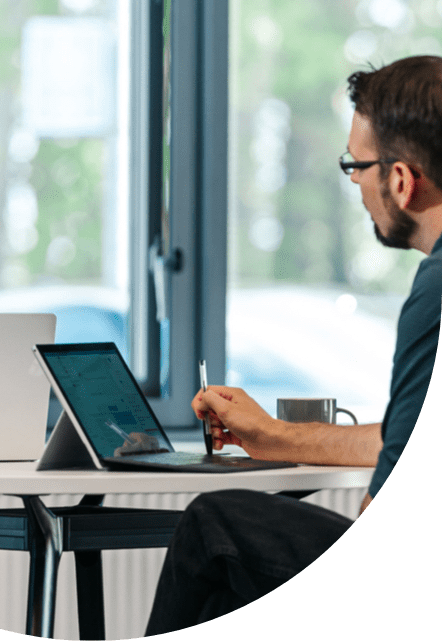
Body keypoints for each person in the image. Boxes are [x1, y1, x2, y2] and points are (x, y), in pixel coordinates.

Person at [145, 55, 442, 635]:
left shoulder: (436, 289)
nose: (355, 183)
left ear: (402, 181)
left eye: (356, 166)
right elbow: (404, 440)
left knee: (217, 524)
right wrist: (274, 437)